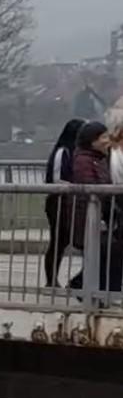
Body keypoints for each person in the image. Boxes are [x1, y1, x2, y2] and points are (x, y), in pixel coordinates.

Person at [65, 122, 121, 291]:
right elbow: (89, 187)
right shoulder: (83, 160)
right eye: (103, 137)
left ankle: (102, 292)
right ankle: (85, 288)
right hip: (89, 219)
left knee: (108, 255)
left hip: (103, 216)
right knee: (107, 254)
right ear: (92, 141)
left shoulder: (100, 159)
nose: (107, 140)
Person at [43, 119, 84, 286]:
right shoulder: (63, 151)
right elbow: (56, 178)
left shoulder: (76, 152)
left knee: (72, 241)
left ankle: (78, 280)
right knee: (58, 242)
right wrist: (77, 187)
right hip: (58, 201)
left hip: (71, 201)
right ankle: (51, 280)